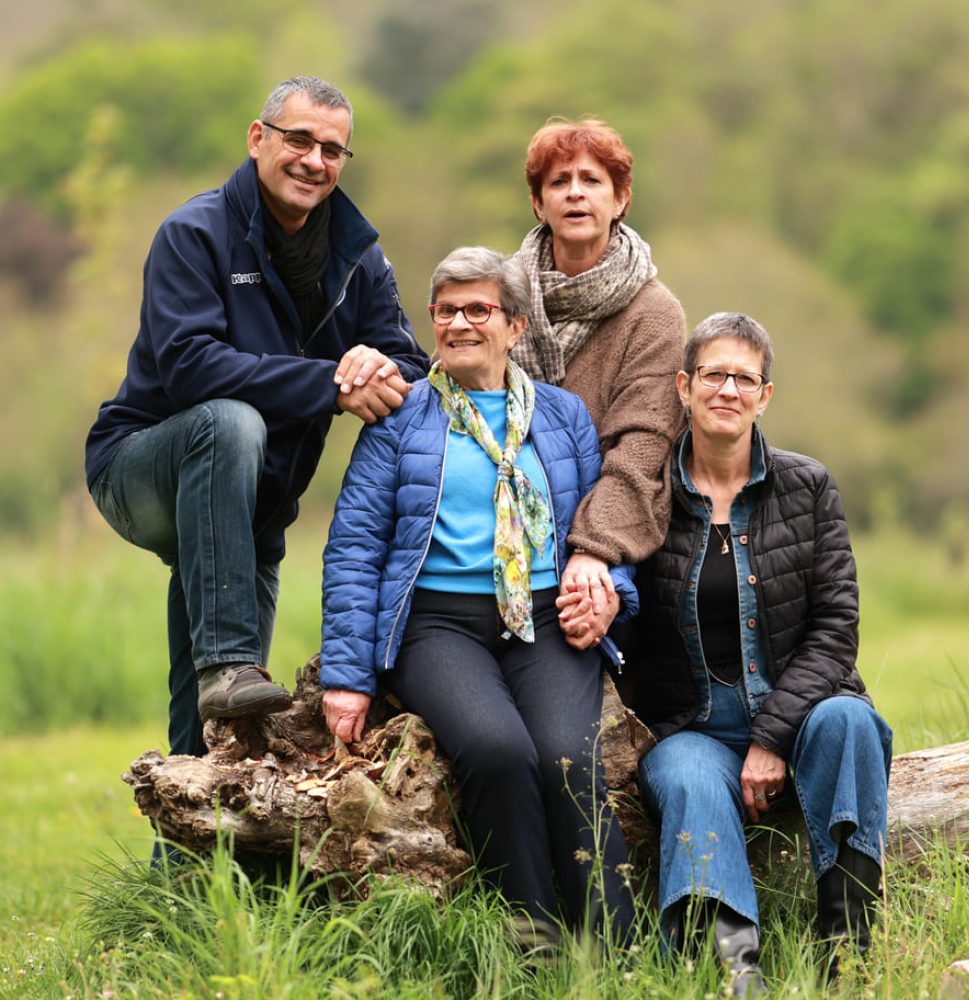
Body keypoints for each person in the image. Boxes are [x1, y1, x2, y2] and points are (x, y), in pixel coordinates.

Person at [85, 76, 429, 759]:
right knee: (231, 422)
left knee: (220, 730)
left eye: (333, 150)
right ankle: (227, 656)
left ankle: (189, 861)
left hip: (254, 510)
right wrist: (331, 381)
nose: (314, 160)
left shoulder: (359, 258)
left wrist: (373, 367)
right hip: (140, 467)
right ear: (257, 139)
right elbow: (189, 366)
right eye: (299, 139)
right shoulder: (194, 234)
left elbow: (412, 366)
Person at [320, 247, 636, 946]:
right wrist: (345, 676)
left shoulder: (563, 417)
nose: (460, 323)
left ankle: (616, 949)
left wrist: (611, 590)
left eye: (478, 309)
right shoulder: (399, 420)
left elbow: (600, 528)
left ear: (516, 327)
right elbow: (354, 548)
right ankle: (534, 937)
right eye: (446, 310)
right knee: (496, 749)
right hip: (438, 625)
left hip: (548, 618)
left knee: (564, 755)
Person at [631, 313, 892, 995]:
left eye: (744, 378)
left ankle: (850, 961)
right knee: (687, 775)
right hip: (690, 728)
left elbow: (836, 626)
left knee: (851, 722)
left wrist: (773, 735)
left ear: (765, 395)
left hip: (800, 717)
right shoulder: (646, 492)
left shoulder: (807, 488)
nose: (728, 389)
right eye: (713, 374)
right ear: (684, 387)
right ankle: (734, 976)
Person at [511, 118, 686, 657]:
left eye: (592, 180)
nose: (575, 193)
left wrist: (594, 552)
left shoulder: (655, 314)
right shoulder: (500, 293)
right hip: (503, 516)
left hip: (606, 524)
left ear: (621, 199)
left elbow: (641, 450)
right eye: (559, 182)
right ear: (539, 204)